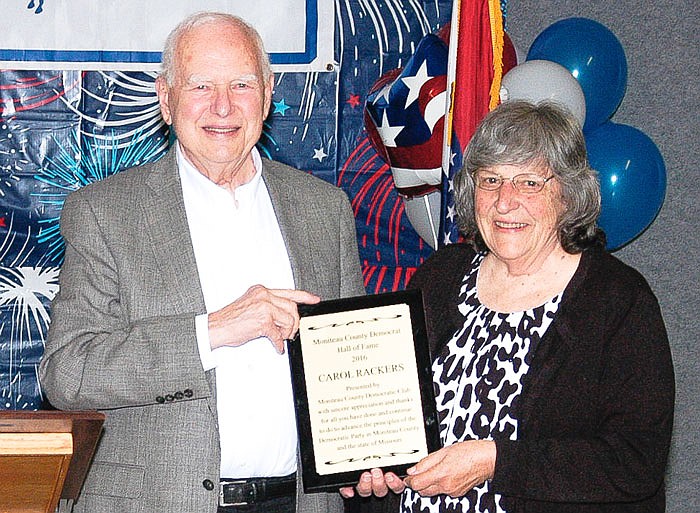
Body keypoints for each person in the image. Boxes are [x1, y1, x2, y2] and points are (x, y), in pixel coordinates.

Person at [39, 12, 364, 513]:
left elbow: (353, 365)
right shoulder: (105, 212)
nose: (222, 106)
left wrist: (368, 455)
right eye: (200, 86)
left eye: (241, 83)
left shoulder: (325, 208)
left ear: (269, 93)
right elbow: (67, 374)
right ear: (166, 99)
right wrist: (211, 331)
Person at [341, 100, 674, 512]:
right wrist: (368, 464)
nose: (505, 201)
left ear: (568, 196)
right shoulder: (441, 276)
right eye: (491, 180)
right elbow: (391, 410)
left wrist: (495, 461)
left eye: (529, 183)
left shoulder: (618, 301)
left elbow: (634, 462)